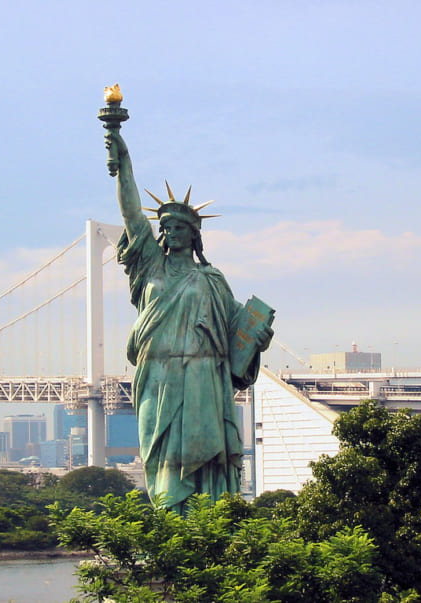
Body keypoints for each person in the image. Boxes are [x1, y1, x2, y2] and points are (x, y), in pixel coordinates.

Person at [105, 129, 273, 513]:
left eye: (179, 227)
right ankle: (171, 528)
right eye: (165, 228)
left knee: (205, 460)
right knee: (161, 458)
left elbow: (235, 334)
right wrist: (123, 164)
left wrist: (257, 340)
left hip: (202, 378)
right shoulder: (149, 267)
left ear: (194, 234)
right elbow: (132, 215)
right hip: (157, 376)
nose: (170, 232)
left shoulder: (211, 279)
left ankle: (207, 529)